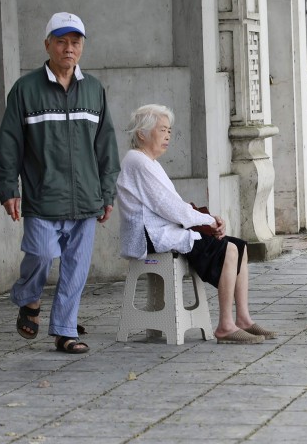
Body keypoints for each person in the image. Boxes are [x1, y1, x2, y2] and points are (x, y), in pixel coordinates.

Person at [0, 12, 120, 354]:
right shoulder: (26, 90)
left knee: (76, 268)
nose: (68, 48)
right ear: (47, 44)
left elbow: (105, 146)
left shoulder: (93, 90)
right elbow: (9, 142)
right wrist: (7, 188)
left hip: (86, 198)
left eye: (75, 42)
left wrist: (107, 193)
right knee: (42, 253)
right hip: (42, 195)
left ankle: (65, 331)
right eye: (61, 41)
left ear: (82, 47)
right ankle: (28, 297)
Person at [116, 104, 275, 344]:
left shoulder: (148, 162)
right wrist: (209, 220)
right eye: (162, 130)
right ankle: (224, 326)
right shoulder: (138, 161)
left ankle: (243, 319)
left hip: (161, 230)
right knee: (228, 249)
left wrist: (206, 220)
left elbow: (173, 206)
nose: (168, 135)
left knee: (239, 247)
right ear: (141, 133)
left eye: (169, 130)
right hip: (148, 235)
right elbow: (170, 208)